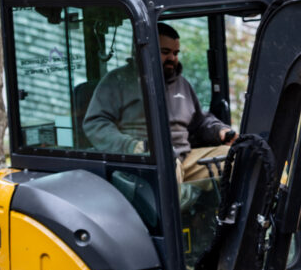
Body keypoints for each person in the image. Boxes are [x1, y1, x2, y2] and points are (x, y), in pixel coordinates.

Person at [84, 23, 236, 182]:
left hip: (185, 158)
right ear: (141, 50)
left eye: (176, 53)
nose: (172, 58)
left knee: (237, 155)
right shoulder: (117, 81)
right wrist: (130, 146)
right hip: (143, 162)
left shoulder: (182, 84)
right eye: (165, 52)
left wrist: (219, 130)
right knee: (169, 165)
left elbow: (199, 122)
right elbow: (95, 123)